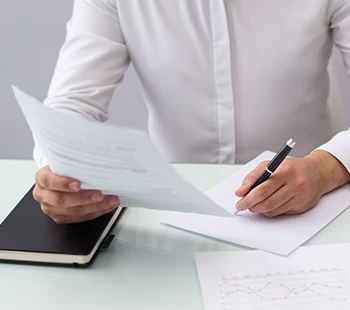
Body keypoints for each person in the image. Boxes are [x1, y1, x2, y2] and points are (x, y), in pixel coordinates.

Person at [33, 0, 350, 224]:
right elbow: (73, 103)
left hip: (315, 202)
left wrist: (324, 169)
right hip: (172, 211)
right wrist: (62, 173)